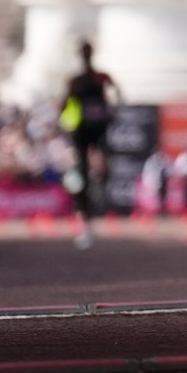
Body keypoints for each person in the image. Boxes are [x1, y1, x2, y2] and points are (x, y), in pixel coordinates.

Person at [62, 41, 120, 249]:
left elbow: (117, 93)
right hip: (82, 131)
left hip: (98, 130)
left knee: (99, 169)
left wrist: (112, 111)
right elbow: (64, 104)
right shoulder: (77, 81)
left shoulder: (99, 77)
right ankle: (85, 217)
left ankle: (96, 199)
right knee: (82, 173)